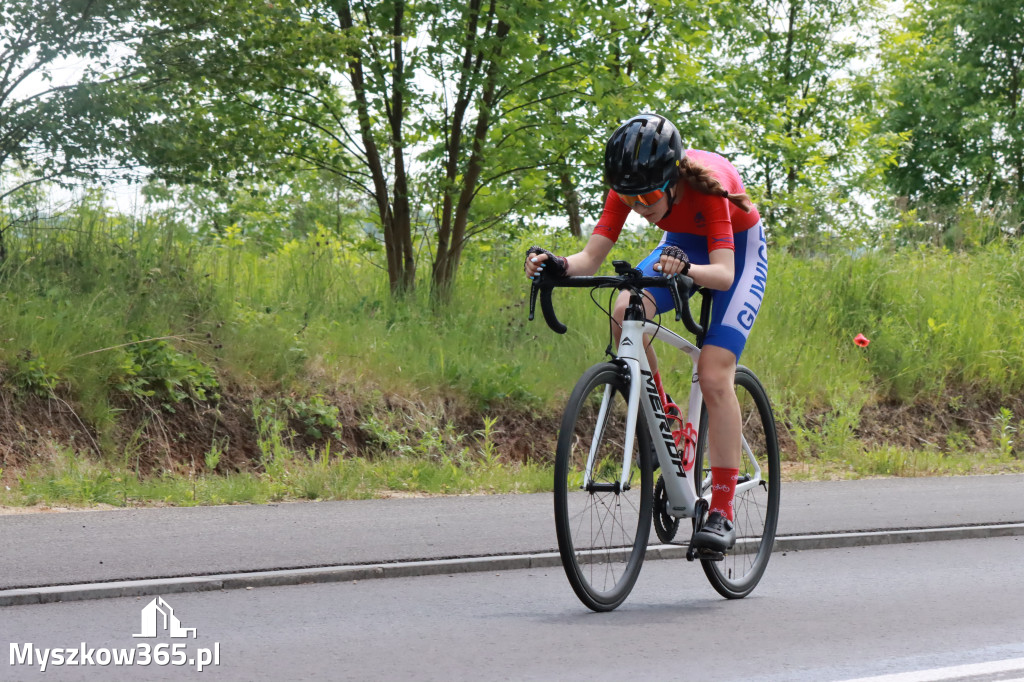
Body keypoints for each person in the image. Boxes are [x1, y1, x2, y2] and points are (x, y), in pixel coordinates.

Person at [524, 113, 767, 553]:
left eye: (650, 197)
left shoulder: (707, 185)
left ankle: (722, 510)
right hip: (679, 249)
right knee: (623, 309)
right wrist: (555, 264)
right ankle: (668, 419)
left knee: (714, 374)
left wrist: (688, 270)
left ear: (674, 178)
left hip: (735, 253)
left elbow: (725, 274)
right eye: (630, 199)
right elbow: (590, 259)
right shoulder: (630, 186)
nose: (640, 206)